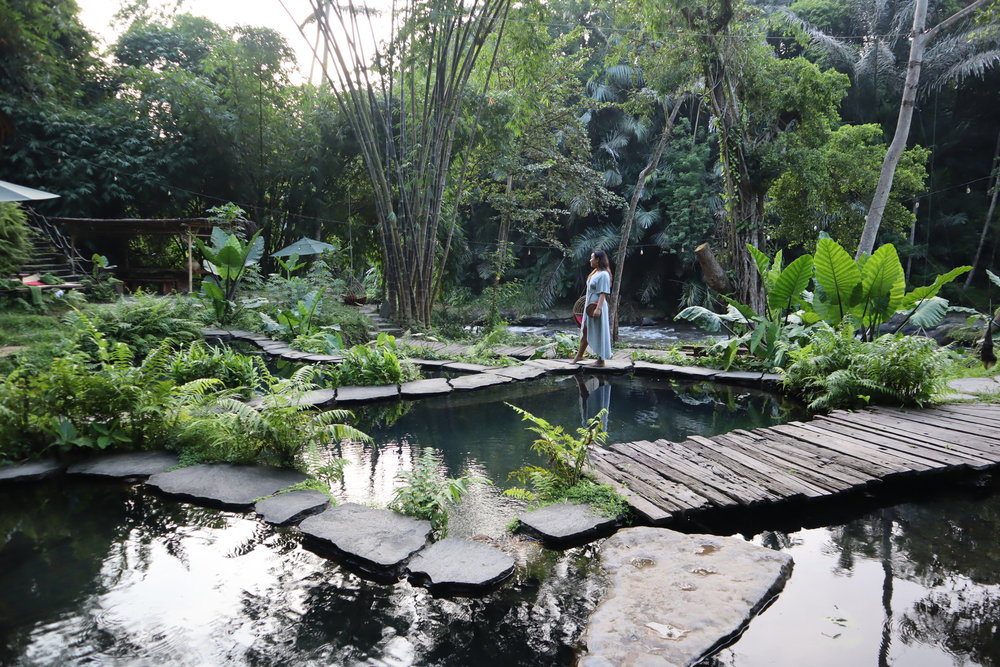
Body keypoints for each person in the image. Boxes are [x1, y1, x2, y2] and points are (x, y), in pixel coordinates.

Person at [572, 250, 613, 367]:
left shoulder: (604, 274)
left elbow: (603, 293)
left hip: (597, 305)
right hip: (589, 305)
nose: (590, 260)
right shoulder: (595, 272)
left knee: (599, 330)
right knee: (585, 329)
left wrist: (598, 309)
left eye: (592, 258)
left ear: (598, 260)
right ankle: (579, 355)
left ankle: (601, 360)